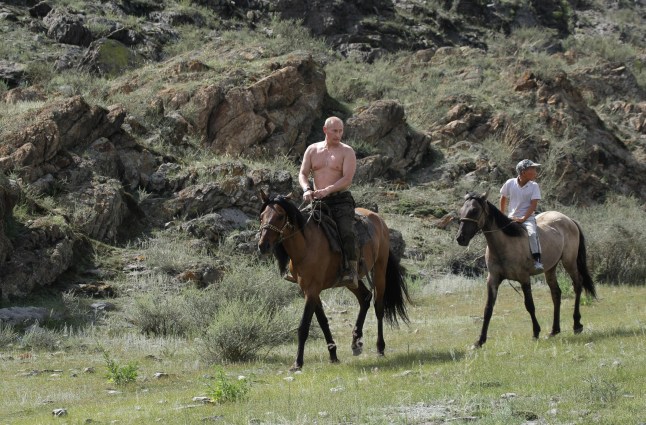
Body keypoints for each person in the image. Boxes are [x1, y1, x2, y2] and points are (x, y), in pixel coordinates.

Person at [298, 116, 358, 288]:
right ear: (325, 130)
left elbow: (347, 179)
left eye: (341, 131)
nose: (338, 135)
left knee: (346, 231)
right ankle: (294, 266)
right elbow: (303, 173)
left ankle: (351, 270)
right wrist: (306, 189)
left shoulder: (347, 151)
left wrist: (328, 190)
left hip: (340, 201)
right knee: (295, 226)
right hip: (318, 202)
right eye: (334, 131)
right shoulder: (312, 150)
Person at [500, 159, 544, 271]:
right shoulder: (510, 183)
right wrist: (502, 214)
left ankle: (537, 260)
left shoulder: (534, 186)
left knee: (532, 234)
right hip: (511, 217)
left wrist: (523, 218)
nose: (535, 172)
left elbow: (533, 205)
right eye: (533, 169)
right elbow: (503, 197)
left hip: (528, 218)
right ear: (523, 172)